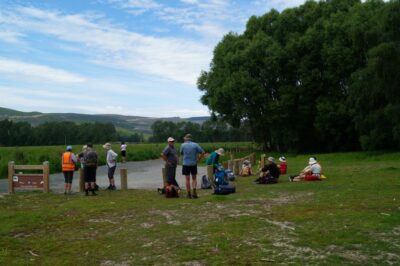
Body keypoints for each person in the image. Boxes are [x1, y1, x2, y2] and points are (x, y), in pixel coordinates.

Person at [180, 133, 205, 199]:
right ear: (191, 139)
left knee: (187, 179)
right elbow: (203, 152)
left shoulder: (183, 145)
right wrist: (198, 159)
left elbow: (181, 153)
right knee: (194, 178)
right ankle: (194, 192)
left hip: (185, 164)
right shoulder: (195, 144)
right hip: (194, 163)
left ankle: (188, 194)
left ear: (185, 138)